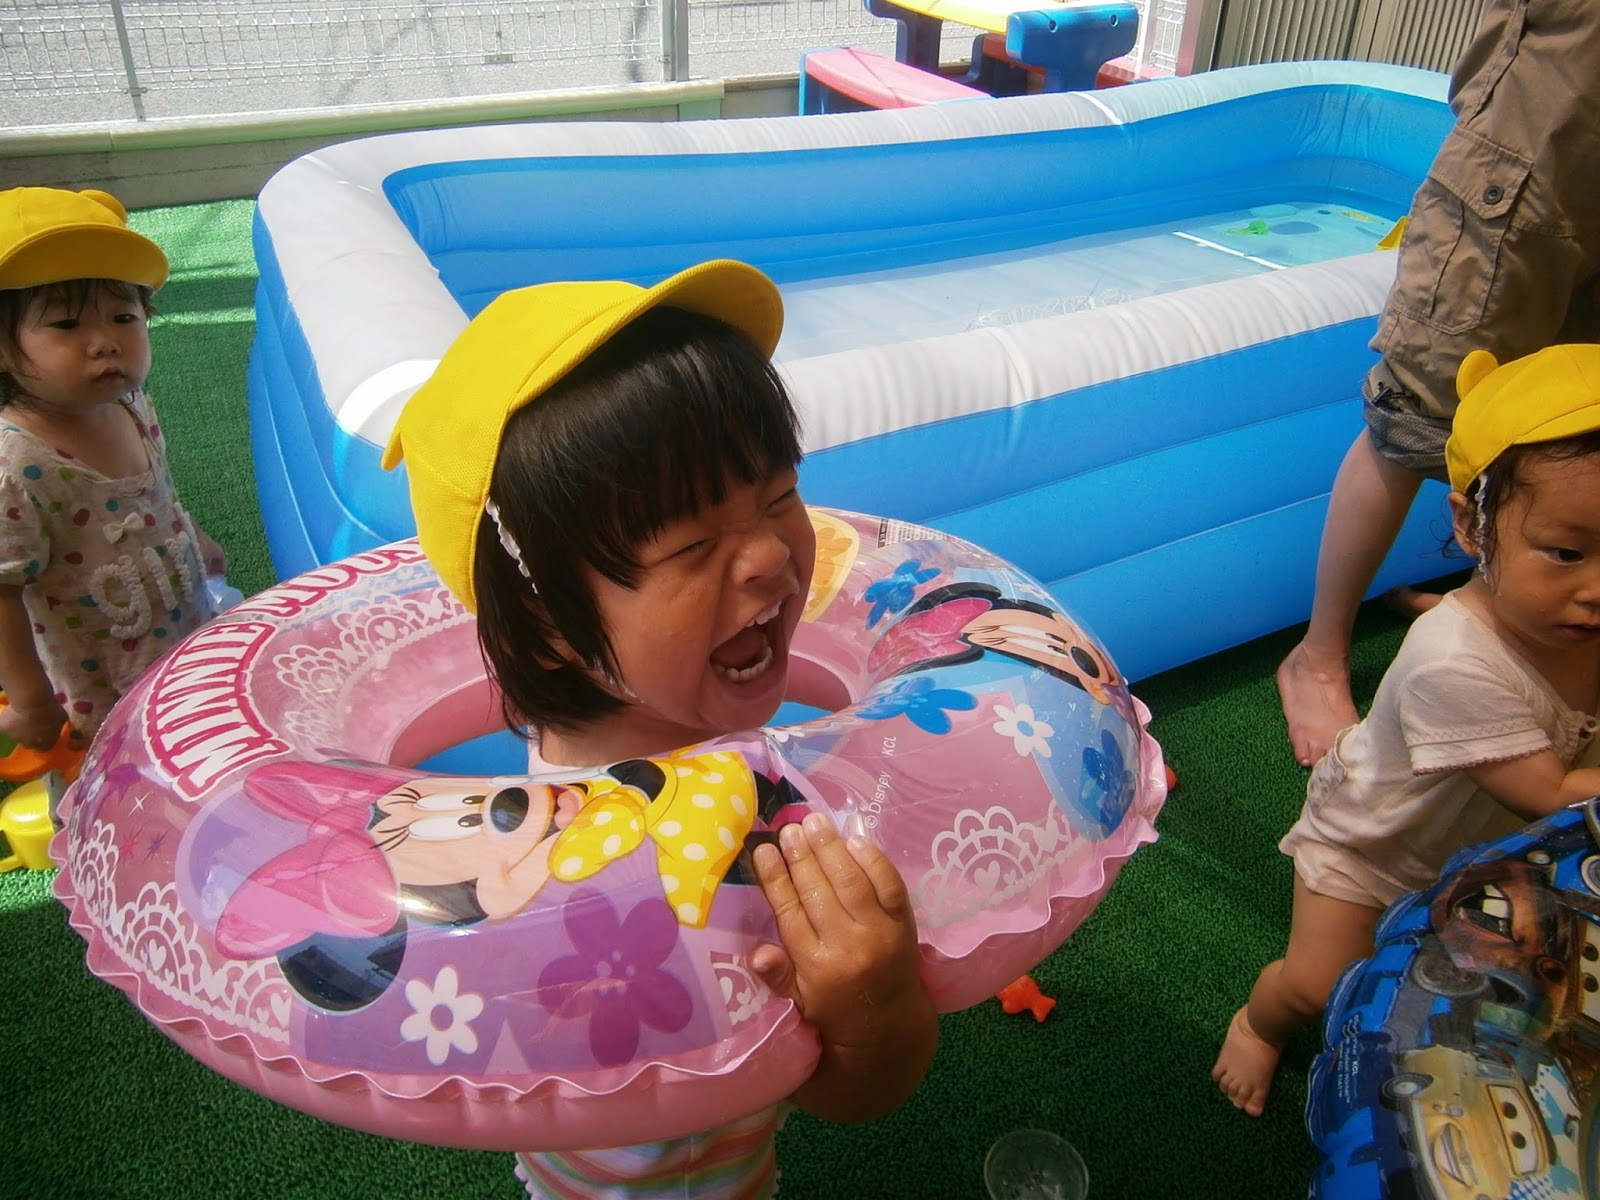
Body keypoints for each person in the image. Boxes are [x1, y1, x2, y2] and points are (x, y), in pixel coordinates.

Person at [382, 258, 940, 1197]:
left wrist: (871, 1006)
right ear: (549, 626)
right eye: (692, 544)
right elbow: (854, 1095)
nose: (768, 557)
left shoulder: (663, 753)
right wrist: (879, 1015)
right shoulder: (594, 852)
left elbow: (830, 1080)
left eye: (780, 497)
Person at [1216, 343, 1600, 1117]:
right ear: (1472, 526)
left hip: (1475, 853)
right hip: (1376, 849)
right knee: (1319, 983)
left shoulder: (1573, 620)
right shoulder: (1451, 664)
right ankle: (1258, 1023)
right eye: (1566, 552)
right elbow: (1548, 791)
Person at [1277, 0, 1600, 767]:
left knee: (1575, 414)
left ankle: (1502, 608)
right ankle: (1318, 654)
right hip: (1543, 142)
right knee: (1418, 412)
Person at [0, 186, 224, 786]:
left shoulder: (131, 404)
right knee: (112, 791)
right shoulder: (17, 465)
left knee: (189, 760)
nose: (105, 341)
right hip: (97, 694)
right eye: (66, 324)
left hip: (177, 638)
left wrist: (192, 533)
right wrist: (30, 699)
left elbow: (157, 490)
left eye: (124, 317)